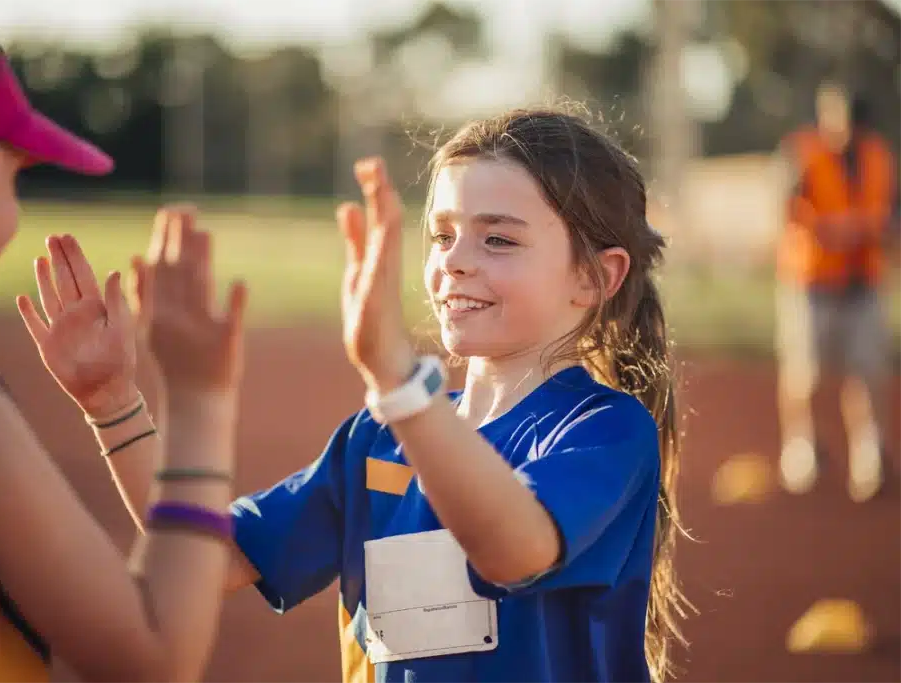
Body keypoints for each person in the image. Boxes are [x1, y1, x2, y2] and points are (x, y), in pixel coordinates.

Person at [39, 109, 689, 683]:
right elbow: (212, 559)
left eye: (498, 237)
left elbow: (513, 549)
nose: (455, 261)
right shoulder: (376, 439)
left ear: (594, 277)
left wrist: (399, 385)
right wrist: (113, 403)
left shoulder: (603, 430)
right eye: (441, 234)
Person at [0, 2, 249, 681]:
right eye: (14, 175)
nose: (16, 210)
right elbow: (154, 655)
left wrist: (112, 402)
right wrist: (200, 397)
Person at [775, 82, 895, 502]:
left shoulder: (879, 157)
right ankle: (801, 448)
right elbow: (786, 206)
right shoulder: (803, 153)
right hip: (812, 282)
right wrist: (832, 229)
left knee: (866, 373)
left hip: (862, 281)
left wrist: (875, 231)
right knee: (805, 373)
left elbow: (891, 214)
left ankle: (870, 456)